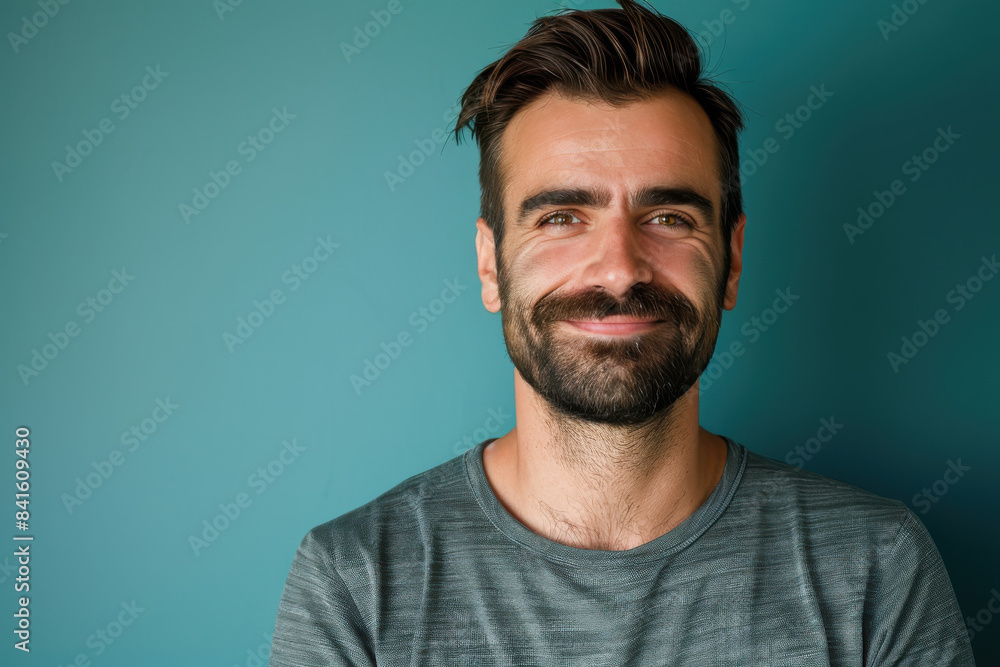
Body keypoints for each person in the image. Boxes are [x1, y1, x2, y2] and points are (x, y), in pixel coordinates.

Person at [269, 2, 975, 664]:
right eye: (561, 217)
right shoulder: (355, 585)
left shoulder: (877, 569)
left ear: (731, 260)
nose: (618, 268)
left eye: (669, 217)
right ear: (490, 264)